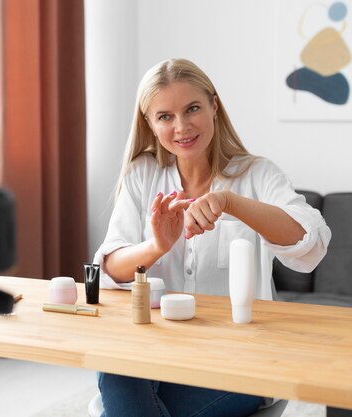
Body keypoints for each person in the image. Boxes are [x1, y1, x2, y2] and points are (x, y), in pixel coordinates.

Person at [93, 58, 331, 417]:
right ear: (150, 124)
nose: (182, 126)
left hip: (239, 361)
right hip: (157, 351)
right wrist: (157, 246)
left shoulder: (257, 173)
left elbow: (310, 245)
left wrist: (231, 202)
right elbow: (111, 268)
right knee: (114, 364)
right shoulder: (142, 174)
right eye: (165, 116)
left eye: (192, 109)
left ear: (214, 106)